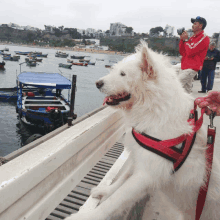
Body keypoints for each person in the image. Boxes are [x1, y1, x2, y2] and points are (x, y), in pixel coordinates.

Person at [179, 16, 210, 93]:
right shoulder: (192, 38)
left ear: (200, 26)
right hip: (185, 67)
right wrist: (182, 40)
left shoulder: (204, 37)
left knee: (176, 84)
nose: (192, 25)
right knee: (186, 92)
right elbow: (183, 52)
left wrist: (186, 40)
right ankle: (190, 105)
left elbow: (191, 52)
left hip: (191, 68)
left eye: (195, 23)